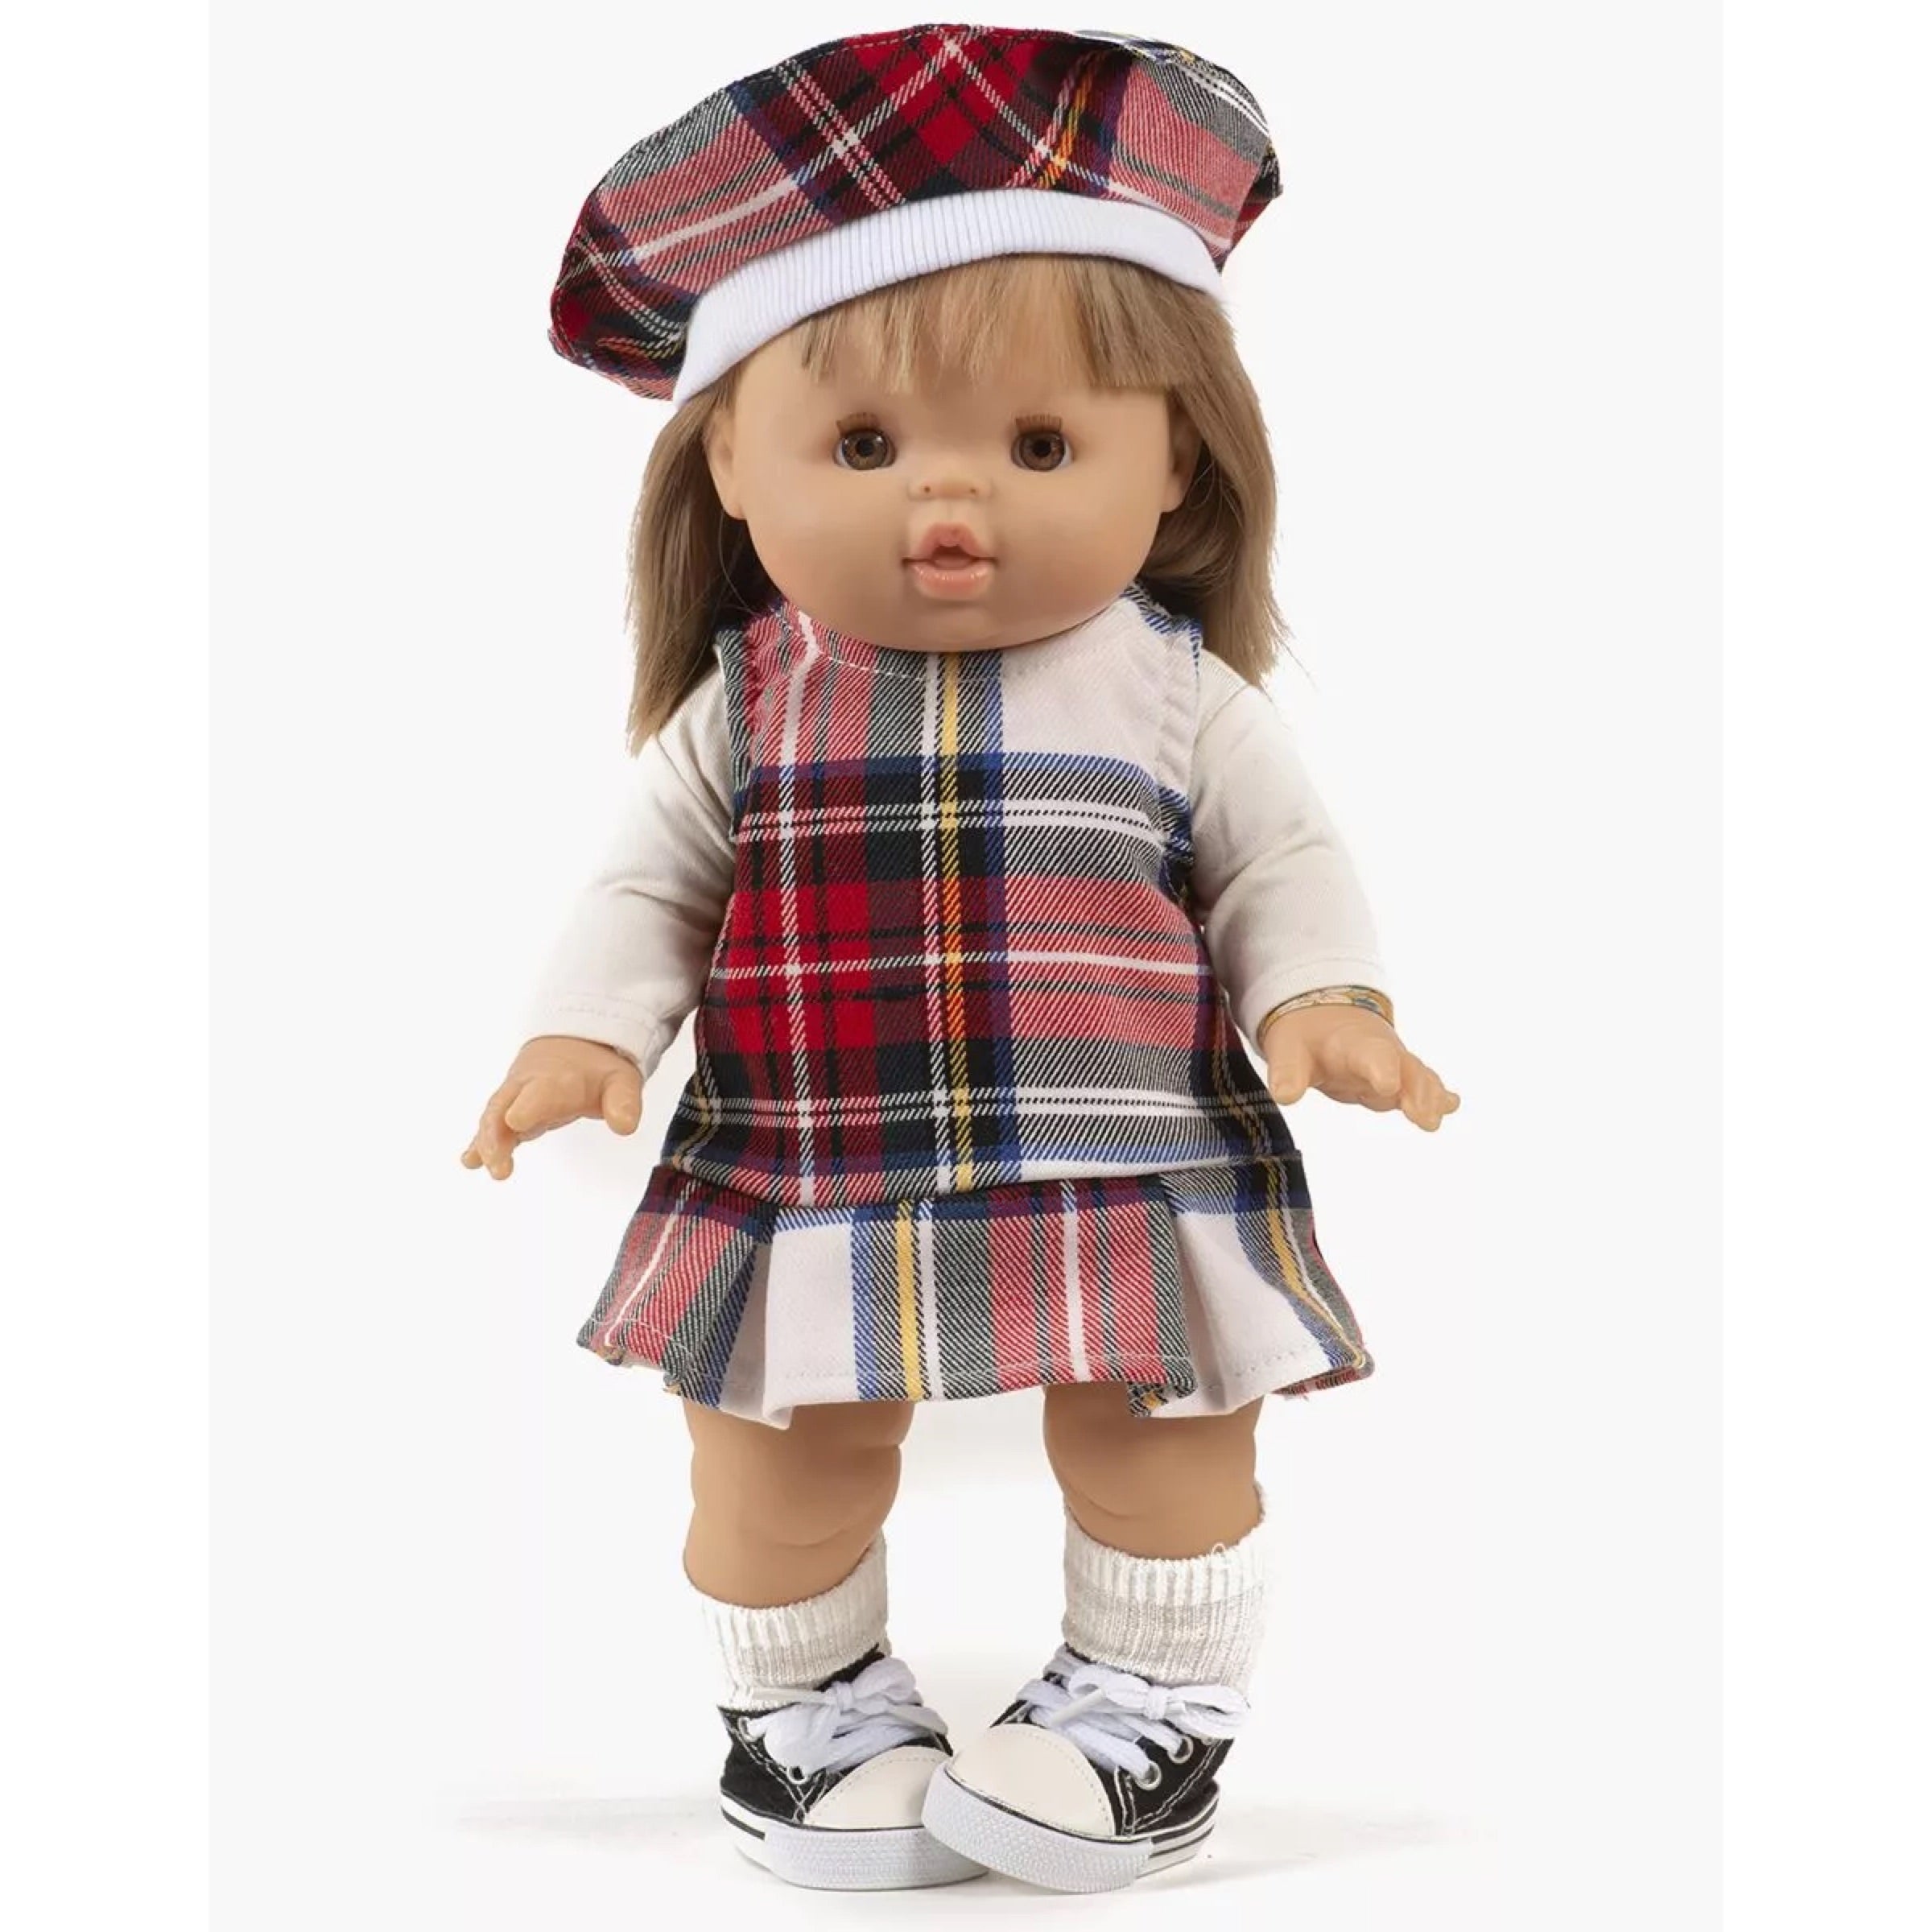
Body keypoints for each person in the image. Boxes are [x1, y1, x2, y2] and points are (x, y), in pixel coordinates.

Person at [462, 23, 1458, 1894]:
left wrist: (1324, 998)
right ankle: (806, 1709)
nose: (951, 503)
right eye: (862, 445)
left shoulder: (1171, 689)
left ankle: (1147, 1706)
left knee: (1165, 1443)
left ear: (1176, 465)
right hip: (813, 1151)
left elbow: (1283, 861)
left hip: (1126, 1142)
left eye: (1041, 445)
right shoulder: (754, 701)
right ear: (731, 467)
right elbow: (645, 889)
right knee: (783, 1458)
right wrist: (585, 1035)